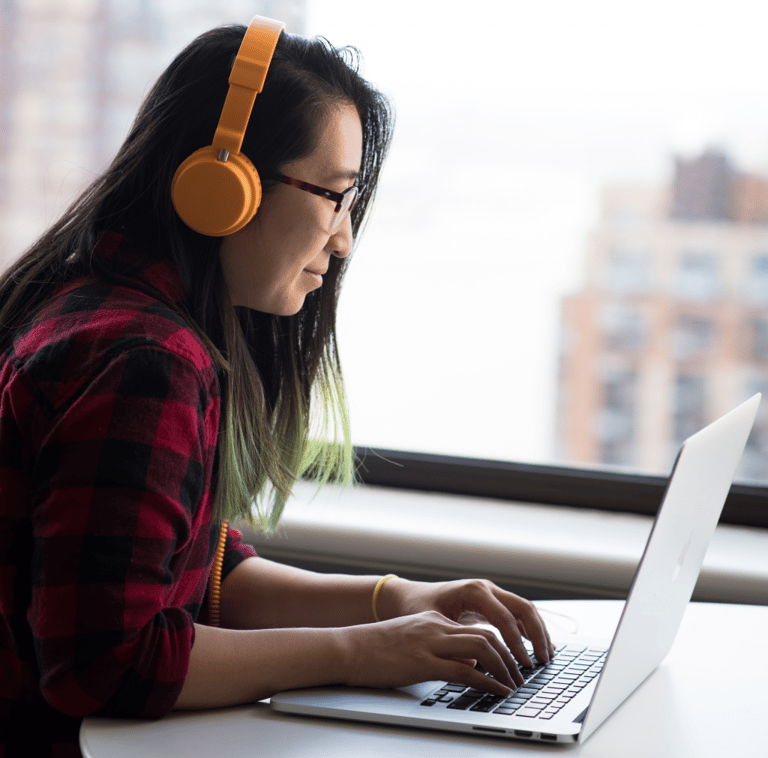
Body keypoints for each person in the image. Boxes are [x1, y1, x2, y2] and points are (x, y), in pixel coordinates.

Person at [0, 16, 555, 757]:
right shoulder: (145, 359)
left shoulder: (93, 301)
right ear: (221, 184)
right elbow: (107, 662)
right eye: (333, 195)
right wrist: (360, 653)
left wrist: (395, 601)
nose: (344, 237)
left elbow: (190, 568)